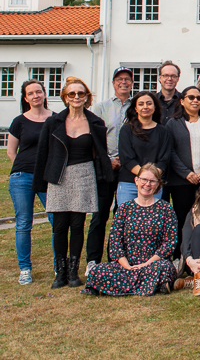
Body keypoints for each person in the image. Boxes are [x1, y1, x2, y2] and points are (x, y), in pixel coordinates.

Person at [33, 77, 114, 289]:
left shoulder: (96, 122)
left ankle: (73, 271)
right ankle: (60, 272)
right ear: (65, 98)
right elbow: (43, 153)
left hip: (85, 175)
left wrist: (105, 177)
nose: (77, 97)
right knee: (59, 226)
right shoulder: (53, 122)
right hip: (59, 176)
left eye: (81, 93)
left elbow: (101, 153)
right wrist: (40, 184)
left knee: (78, 225)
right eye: (72, 94)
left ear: (87, 96)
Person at [81, 164, 178, 296]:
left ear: (157, 185)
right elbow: (115, 241)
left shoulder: (165, 209)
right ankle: (149, 284)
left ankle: (123, 285)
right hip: (126, 266)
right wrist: (127, 266)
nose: (147, 184)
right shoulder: (124, 208)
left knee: (165, 268)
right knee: (97, 270)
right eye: (144, 180)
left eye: (152, 181)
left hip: (153, 264)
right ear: (136, 181)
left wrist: (145, 264)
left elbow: (169, 243)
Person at [165, 85, 200, 262]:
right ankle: (182, 256)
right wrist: (186, 173)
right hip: (182, 181)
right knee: (183, 218)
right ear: (182, 101)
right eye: (191, 97)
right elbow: (170, 151)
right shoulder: (172, 124)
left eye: (198, 98)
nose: (195, 100)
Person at [86, 67, 132, 274]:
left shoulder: (137, 106)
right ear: (113, 83)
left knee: (122, 215)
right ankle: (93, 260)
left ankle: (116, 257)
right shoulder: (101, 107)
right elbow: (93, 138)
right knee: (99, 214)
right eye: (120, 79)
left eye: (127, 80)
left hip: (128, 167)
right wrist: (108, 159)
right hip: (105, 167)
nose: (124, 83)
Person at [7, 79, 54, 285]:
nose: (35, 96)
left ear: (44, 94)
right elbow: (11, 151)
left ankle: (58, 265)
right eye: (31, 93)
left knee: (56, 221)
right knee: (24, 223)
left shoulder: (56, 119)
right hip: (22, 177)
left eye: (39, 91)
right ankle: (25, 269)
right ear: (26, 98)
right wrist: (24, 168)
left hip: (48, 177)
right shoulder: (19, 121)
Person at [117, 91, 171, 205]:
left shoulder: (163, 131)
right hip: (129, 183)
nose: (145, 106)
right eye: (141, 104)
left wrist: (149, 180)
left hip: (153, 184)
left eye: (149, 103)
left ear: (155, 107)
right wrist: (145, 178)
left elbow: (164, 160)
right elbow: (127, 159)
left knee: (151, 222)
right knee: (127, 221)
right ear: (135, 108)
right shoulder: (126, 130)